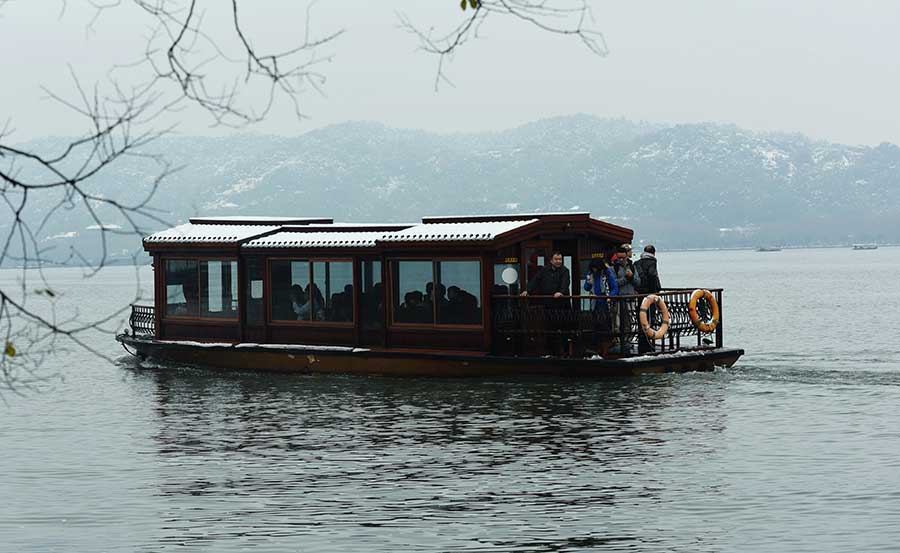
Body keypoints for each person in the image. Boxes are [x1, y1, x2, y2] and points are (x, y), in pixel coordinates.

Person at [521, 251, 570, 355]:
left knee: (564, 329)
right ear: (551, 260)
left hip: (562, 305)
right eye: (556, 259)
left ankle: (565, 353)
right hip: (549, 304)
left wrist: (561, 292)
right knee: (549, 328)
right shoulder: (544, 270)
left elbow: (565, 283)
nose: (558, 261)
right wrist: (527, 290)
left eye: (560, 259)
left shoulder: (565, 271)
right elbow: (535, 280)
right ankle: (551, 352)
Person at [583, 257, 618, 356]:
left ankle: (605, 349)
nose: (594, 270)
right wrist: (588, 283)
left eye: (595, 268)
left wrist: (610, 297)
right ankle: (598, 348)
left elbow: (614, 287)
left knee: (604, 325)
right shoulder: (591, 274)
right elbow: (586, 288)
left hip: (604, 303)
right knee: (596, 325)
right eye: (593, 268)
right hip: (595, 303)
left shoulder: (607, 274)